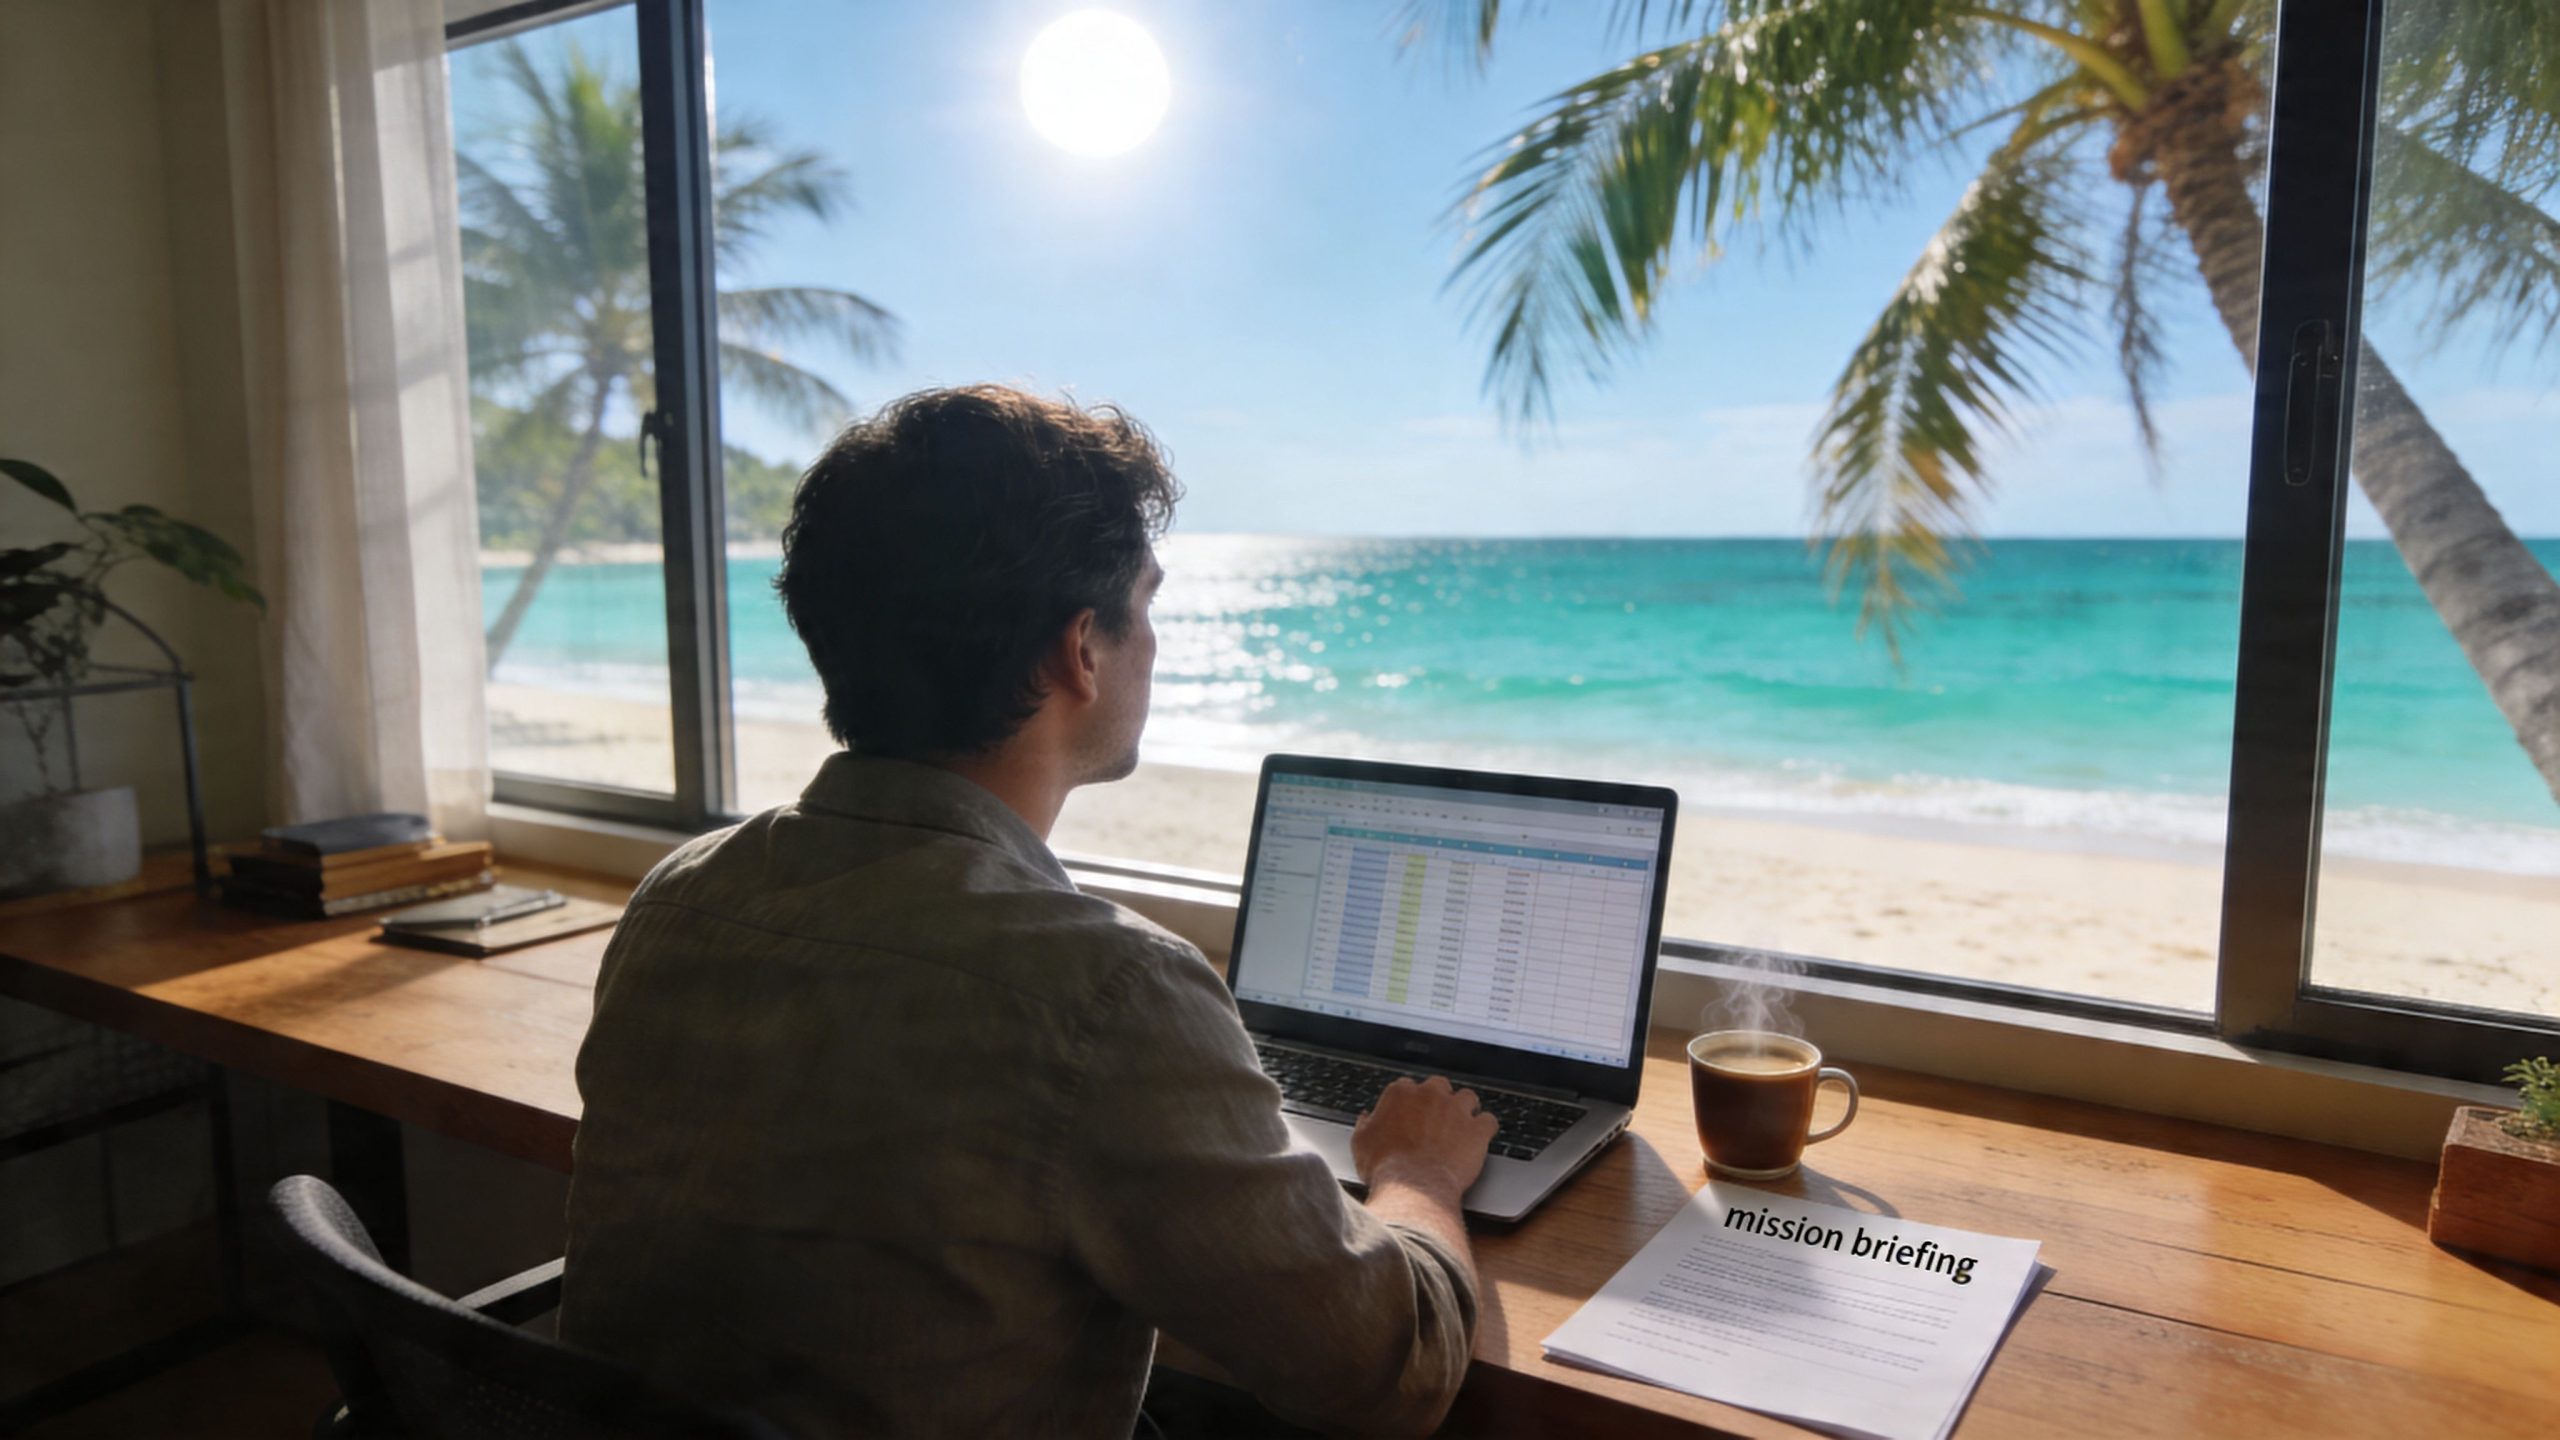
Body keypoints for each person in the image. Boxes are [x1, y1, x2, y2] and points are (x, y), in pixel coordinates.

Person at [559, 385, 1495, 1437]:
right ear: (1079, 650)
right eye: (1145, 606)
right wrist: (1417, 1172)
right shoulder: (1105, 993)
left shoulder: (679, 896)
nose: (1156, 646)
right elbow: (1391, 1374)